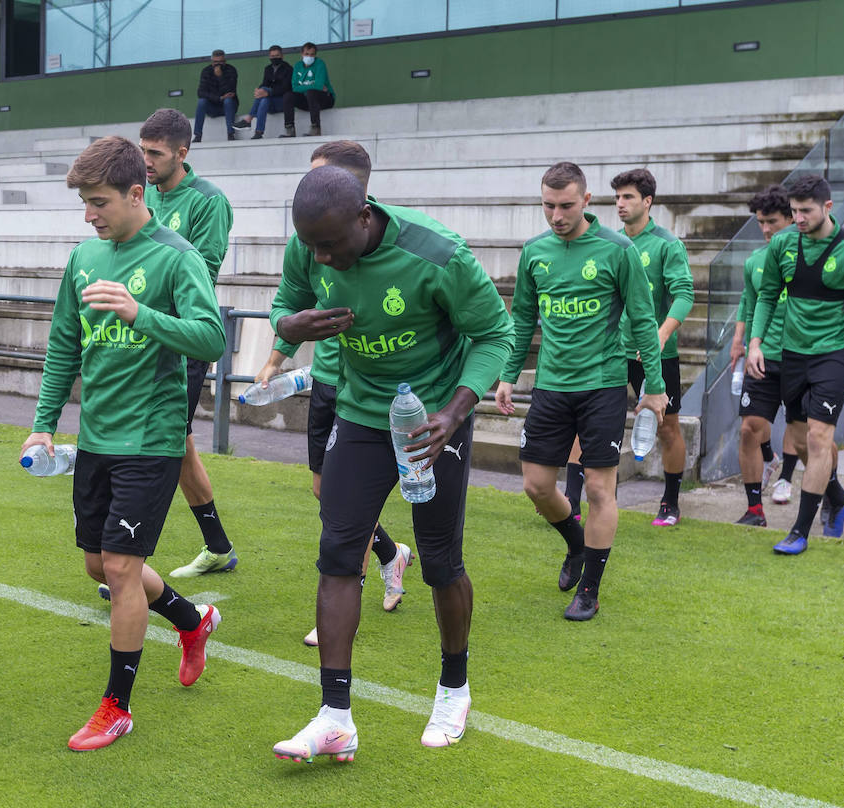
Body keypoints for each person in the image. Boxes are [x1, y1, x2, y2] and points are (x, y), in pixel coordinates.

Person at [269, 165, 513, 761]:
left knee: (440, 562)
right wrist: (288, 326)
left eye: (331, 245)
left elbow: (496, 335)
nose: (321, 258)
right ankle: (334, 716)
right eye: (311, 246)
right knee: (336, 553)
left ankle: (454, 688)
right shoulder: (311, 248)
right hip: (358, 413)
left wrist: (455, 412)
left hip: (431, 422)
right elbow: (286, 307)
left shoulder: (437, 255)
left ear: (364, 216)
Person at [22, 136, 225, 751]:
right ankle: (193, 621)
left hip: (151, 438)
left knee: (120, 566)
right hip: (96, 437)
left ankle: (117, 707)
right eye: (85, 203)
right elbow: (63, 343)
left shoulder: (175, 257)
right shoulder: (85, 256)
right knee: (99, 566)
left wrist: (142, 315)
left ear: (138, 194)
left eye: (99, 201)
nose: (90, 215)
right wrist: (42, 421)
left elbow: (212, 338)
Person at [253, 141, 413, 647]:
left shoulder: (385, 243)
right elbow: (293, 300)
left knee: (350, 504)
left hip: (378, 393)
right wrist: (278, 356)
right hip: (328, 383)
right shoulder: (309, 242)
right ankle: (391, 554)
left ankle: (346, 600)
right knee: (328, 494)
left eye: (322, 179)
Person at [496, 161, 668, 622]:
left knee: (597, 488)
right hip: (551, 386)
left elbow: (644, 321)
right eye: (548, 205)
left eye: (566, 205)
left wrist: (654, 386)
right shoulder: (534, 252)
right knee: (536, 485)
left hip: (603, 386)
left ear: (587, 201)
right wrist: (508, 375)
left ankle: (589, 590)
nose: (556, 215)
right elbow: (523, 320)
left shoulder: (618, 250)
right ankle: (575, 544)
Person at [746, 174, 844, 554]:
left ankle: (800, 530)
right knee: (802, 440)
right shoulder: (784, 244)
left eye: (806, 211)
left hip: (836, 353)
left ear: (827, 207)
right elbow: (767, 296)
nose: (799, 219)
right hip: (793, 352)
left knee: (821, 436)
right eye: (794, 212)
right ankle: (838, 496)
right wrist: (755, 343)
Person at [134, 109, 240, 581]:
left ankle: (127, 560)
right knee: (179, 443)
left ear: (182, 153)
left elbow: (205, 271)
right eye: (142, 150)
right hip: (145, 335)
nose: (146, 160)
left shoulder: (207, 201)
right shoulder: (145, 195)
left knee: (163, 442)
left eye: (155, 153)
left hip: (180, 341)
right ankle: (217, 545)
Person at [563, 169, 693, 527]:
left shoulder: (667, 244)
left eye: (628, 197)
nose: (620, 204)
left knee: (667, 427)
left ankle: (670, 502)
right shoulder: (610, 244)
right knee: (583, 422)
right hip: (609, 352)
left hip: (656, 355)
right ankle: (572, 503)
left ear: (647, 201)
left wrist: (662, 334)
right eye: (617, 197)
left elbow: (684, 295)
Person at [731, 185, 807, 526]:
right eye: (760, 222)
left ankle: (787, 479)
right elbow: (749, 303)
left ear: (792, 218)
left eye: (772, 221)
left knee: (799, 428)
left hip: (801, 357)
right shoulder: (755, 261)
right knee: (750, 427)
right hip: (762, 356)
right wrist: (740, 341)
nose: (765, 229)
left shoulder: (811, 256)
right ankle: (754, 510)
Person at [231, 45, 293, 139]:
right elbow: (265, 83)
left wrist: (268, 92)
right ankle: (259, 132)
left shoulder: (288, 69)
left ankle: (248, 120)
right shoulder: (268, 69)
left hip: (282, 103)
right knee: (264, 99)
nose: (275, 58)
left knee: (265, 92)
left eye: (277, 55)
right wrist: (259, 90)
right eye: (272, 56)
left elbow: (286, 88)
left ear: (282, 56)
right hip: (270, 102)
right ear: (269, 57)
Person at [280, 42, 335, 138]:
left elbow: (318, 86)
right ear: (302, 54)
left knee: (311, 93)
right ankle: (290, 130)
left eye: (312, 54)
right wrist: (313, 85)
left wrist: (306, 87)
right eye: (306, 54)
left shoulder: (319, 64)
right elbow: (294, 88)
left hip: (325, 99)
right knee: (288, 96)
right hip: (307, 101)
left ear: (315, 55)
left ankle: (316, 128)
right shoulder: (297, 66)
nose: (309, 57)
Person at [193, 49, 239, 143]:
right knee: (202, 102)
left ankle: (231, 134)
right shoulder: (206, 71)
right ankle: (198, 135)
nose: (218, 64)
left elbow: (230, 91)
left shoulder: (231, 70)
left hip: (228, 107)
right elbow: (201, 92)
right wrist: (219, 98)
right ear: (212, 61)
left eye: (220, 62)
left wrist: (220, 76)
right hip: (213, 107)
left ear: (224, 61)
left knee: (228, 100)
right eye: (215, 62)